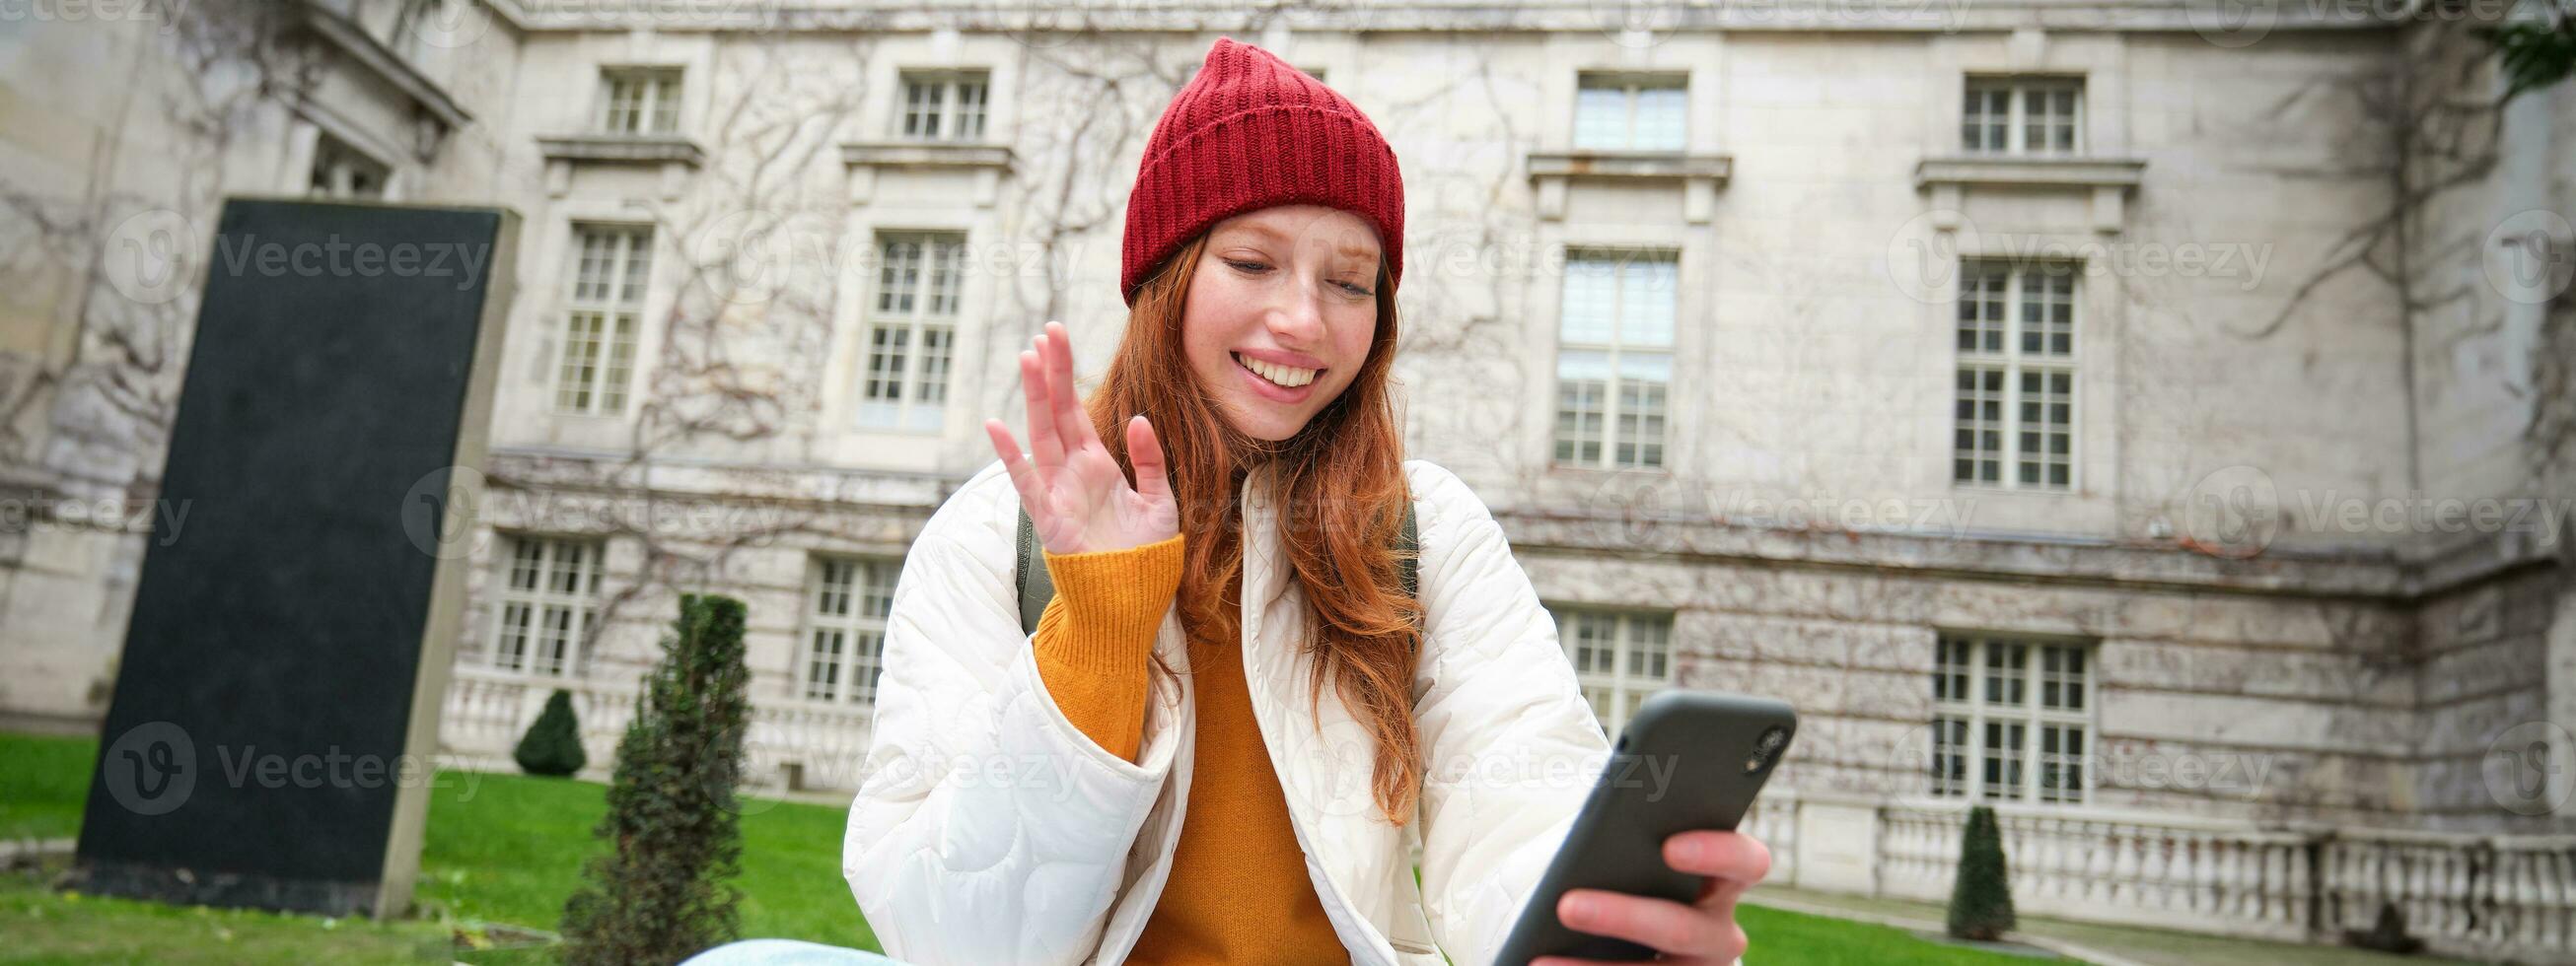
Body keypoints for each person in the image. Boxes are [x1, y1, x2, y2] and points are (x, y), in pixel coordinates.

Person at [689, 36, 1769, 966]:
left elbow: (1517, 786)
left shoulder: (1426, 528)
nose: (1303, 318)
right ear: (1165, 281)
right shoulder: (990, 534)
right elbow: (958, 937)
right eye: (1251, 260)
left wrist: (1576, 929)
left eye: (1350, 282)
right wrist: (1101, 621)